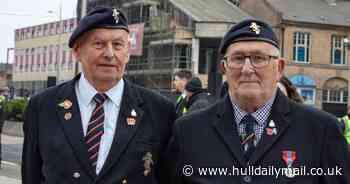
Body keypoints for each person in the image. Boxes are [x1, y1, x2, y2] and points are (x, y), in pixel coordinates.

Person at [167, 19, 350, 183]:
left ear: (279, 68)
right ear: (224, 68)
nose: (247, 69)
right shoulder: (189, 131)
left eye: (259, 58)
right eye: (238, 58)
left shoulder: (321, 129)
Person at [22, 7, 175, 184]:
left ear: (127, 53)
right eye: (99, 44)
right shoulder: (43, 107)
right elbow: (31, 175)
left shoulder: (159, 110)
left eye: (118, 45)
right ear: (77, 51)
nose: (109, 54)